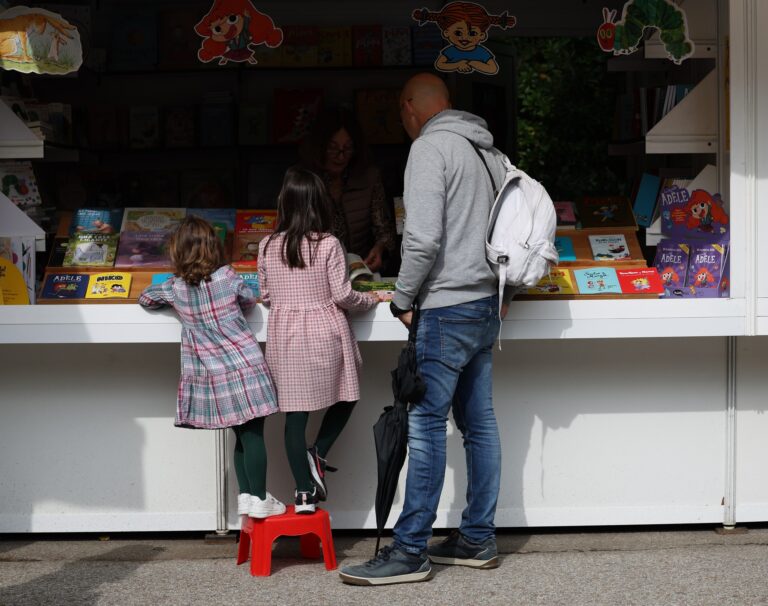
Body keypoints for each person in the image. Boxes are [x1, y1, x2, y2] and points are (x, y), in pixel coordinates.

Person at [339, 73, 510, 585]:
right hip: (485, 304)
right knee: (479, 424)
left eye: (401, 112)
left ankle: (410, 548)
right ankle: (477, 537)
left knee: (426, 424)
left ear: (410, 107)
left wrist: (402, 297)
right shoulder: (487, 152)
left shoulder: (430, 149)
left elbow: (422, 239)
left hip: (446, 306)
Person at [138, 216, 284, 519]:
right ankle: (260, 498)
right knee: (253, 435)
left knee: (240, 436)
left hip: (215, 376)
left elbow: (146, 298)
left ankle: (247, 496)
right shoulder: (227, 276)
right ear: (212, 247)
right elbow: (248, 301)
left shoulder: (174, 288)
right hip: (245, 366)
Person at [258, 166, 379, 513]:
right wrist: (370, 299)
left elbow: (266, 295)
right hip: (325, 332)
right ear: (318, 204)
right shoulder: (328, 244)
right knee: (348, 395)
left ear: (285, 202)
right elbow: (343, 295)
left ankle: (303, 494)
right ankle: (318, 453)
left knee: (294, 419)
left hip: (285, 337)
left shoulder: (267, 245)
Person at [299, 107, 397, 274]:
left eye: (348, 148)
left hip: (360, 270)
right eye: (332, 148)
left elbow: (384, 229)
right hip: (316, 273)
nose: (341, 156)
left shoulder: (369, 178)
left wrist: (380, 248)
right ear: (319, 147)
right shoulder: (303, 180)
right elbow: (291, 232)